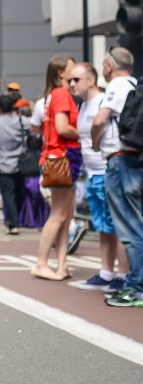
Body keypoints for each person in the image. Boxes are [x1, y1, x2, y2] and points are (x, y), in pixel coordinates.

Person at [69, 62, 129, 289]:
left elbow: (105, 128)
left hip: (109, 170)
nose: (72, 84)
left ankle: (124, 274)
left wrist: (96, 144)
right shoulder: (84, 105)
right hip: (93, 172)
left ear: (90, 80)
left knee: (118, 225)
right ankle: (106, 271)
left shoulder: (104, 100)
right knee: (103, 225)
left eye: (76, 79)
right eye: (70, 80)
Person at [92, 47, 143, 307]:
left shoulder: (117, 85)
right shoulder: (136, 83)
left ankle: (137, 287)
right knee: (138, 222)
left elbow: (101, 119)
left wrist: (94, 142)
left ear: (110, 66)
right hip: (138, 157)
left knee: (130, 226)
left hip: (120, 159)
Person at [31, 54, 82, 281]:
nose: (76, 71)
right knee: (60, 214)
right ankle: (42, 263)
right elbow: (62, 128)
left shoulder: (53, 95)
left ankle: (62, 264)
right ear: (62, 73)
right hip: (61, 157)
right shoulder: (62, 94)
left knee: (64, 215)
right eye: (72, 68)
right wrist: (86, 133)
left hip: (56, 157)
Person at [0, 95, 28, 234]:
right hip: (22, 164)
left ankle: (13, 223)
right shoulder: (23, 121)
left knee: (7, 195)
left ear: (0, 108)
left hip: (4, 164)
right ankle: (17, 219)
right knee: (19, 193)